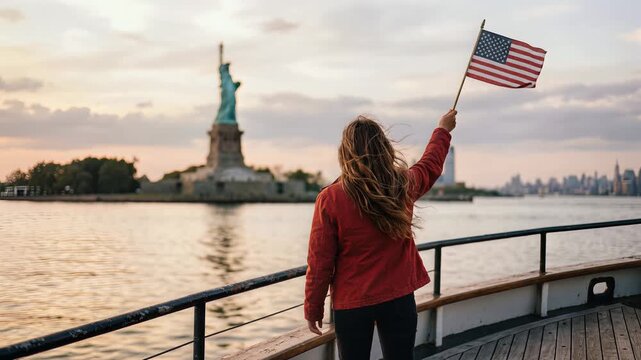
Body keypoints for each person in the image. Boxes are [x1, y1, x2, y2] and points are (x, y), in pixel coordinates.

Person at [304, 109, 457, 359]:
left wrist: (313, 308)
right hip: (398, 297)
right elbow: (430, 165)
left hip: (352, 302)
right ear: (384, 148)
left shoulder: (330, 199)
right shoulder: (402, 185)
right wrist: (442, 130)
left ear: (346, 152)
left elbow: (320, 262)